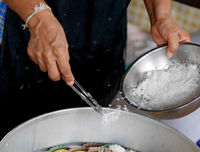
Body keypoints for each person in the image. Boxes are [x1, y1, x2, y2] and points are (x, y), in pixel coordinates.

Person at [0, 0, 191, 139]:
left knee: (89, 133)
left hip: (103, 36)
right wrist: (37, 17)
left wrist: (161, 15)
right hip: (30, 41)